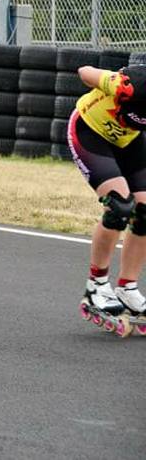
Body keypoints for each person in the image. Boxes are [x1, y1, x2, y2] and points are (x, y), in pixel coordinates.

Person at [70, 64, 146, 336]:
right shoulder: (126, 84)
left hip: (128, 141)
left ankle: (127, 287)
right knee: (120, 204)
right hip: (90, 132)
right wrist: (111, 82)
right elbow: (83, 71)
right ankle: (96, 285)